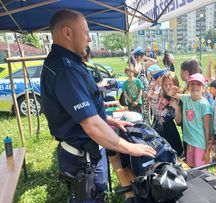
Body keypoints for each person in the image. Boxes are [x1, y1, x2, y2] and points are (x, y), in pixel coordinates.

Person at [40, 9, 155, 202]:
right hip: (81, 159)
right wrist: (128, 147)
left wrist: (110, 120)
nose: (89, 39)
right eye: (85, 33)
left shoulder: (70, 63)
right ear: (67, 33)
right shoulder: (65, 70)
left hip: (86, 153)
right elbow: (91, 125)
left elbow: (85, 108)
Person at [168, 73, 212, 168]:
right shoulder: (187, 98)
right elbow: (171, 94)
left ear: (204, 88)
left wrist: (208, 150)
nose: (195, 86)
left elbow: (207, 129)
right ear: (188, 87)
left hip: (200, 145)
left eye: (198, 84)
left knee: (201, 171)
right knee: (191, 169)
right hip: (189, 143)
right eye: (192, 84)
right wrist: (173, 90)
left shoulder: (204, 105)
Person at [151, 71, 183, 156]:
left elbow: (179, 121)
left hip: (169, 130)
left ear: (175, 84)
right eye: (165, 85)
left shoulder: (176, 99)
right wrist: (152, 88)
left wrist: (177, 108)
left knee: (171, 153)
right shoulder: (159, 95)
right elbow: (148, 95)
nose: (168, 87)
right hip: (156, 128)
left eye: (170, 84)